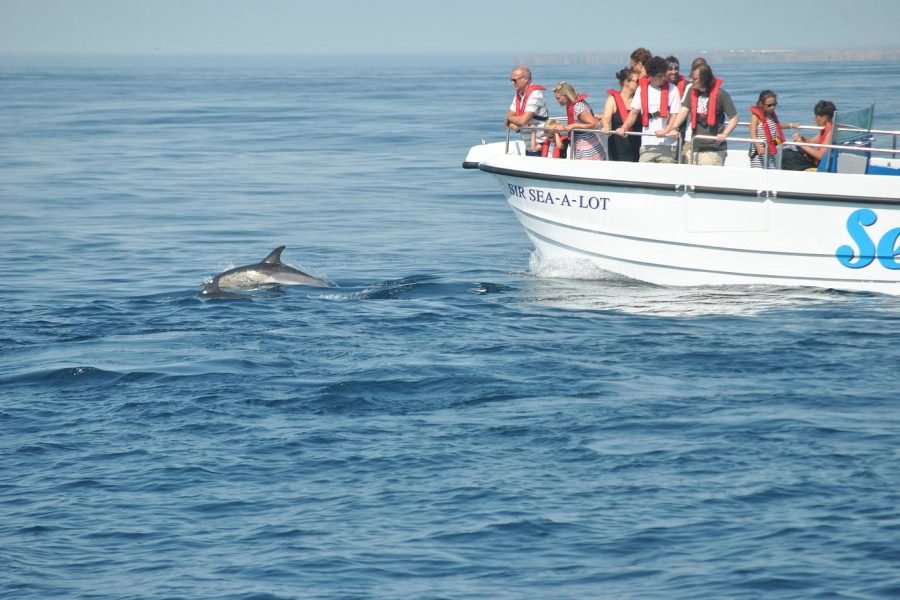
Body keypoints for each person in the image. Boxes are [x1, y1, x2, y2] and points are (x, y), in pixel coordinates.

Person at [661, 64, 738, 166]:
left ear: (704, 79)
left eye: (695, 79)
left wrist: (724, 134)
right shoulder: (691, 92)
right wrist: (674, 127)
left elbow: (734, 117)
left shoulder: (721, 94)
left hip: (713, 148)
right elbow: (684, 110)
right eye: (691, 78)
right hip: (694, 145)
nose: (691, 81)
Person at [615, 56, 681, 163]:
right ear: (651, 75)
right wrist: (624, 127)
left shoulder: (673, 90)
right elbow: (633, 113)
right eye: (660, 76)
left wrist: (666, 131)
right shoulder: (641, 89)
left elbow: (674, 115)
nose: (663, 79)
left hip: (668, 144)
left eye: (664, 75)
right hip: (647, 144)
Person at [552, 82, 606, 160]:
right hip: (587, 148)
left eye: (558, 98)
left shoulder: (577, 107)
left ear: (566, 96)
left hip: (588, 151)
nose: (557, 101)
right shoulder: (576, 104)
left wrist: (573, 126)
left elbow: (593, 124)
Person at [505, 66, 549, 157]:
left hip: (540, 145)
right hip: (528, 145)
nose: (513, 83)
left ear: (525, 79)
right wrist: (511, 123)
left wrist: (510, 118)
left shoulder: (535, 95)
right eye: (512, 80)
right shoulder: (519, 95)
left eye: (515, 80)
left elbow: (522, 121)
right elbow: (507, 120)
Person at [748, 90, 799, 169]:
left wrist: (791, 125)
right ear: (761, 104)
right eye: (769, 105)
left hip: (770, 152)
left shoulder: (771, 115)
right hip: (759, 154)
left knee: (772, 172)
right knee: (760, 175)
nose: (772, 107)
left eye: (774, 104)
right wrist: (758, 146)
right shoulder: (755, 116)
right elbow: (752, 134)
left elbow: (777, 126)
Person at [781, 100, 836, 171]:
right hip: (815, 161)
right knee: (789, 151)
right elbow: (811, 141)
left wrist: (802, 145)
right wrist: (802, 139)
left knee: (786, 155)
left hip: (819, 165)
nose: (815, 119)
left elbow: (821, 156)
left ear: (824, 117)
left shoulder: (830, 133)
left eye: (816, 116)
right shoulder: (826, 130)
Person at [601, 67, 641, 162]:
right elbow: (606, 117)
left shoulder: (639, 99)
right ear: (626, 82)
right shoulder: (612, 99)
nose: (639, 83)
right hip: (619, 145)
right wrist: (606, 126)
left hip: (638, 144)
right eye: (637, 81)